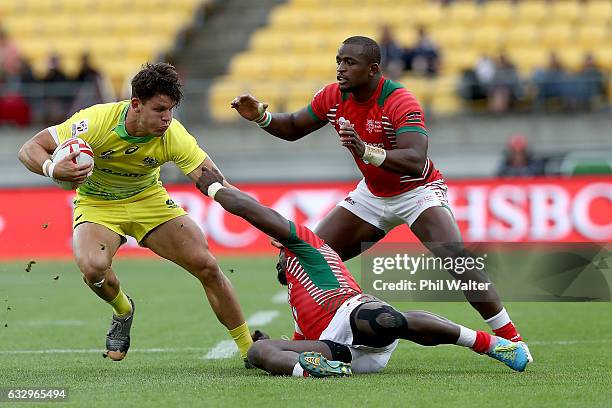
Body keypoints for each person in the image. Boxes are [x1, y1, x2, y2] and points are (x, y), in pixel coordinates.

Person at [231, 36, 528, 349]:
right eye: (338, 61)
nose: (340, 69)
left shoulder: (400, 100)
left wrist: (366, 151)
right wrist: (261, 117)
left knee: (457, 259)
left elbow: (415, 159)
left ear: (373, 70)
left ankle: (512, 339)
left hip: (417, 192)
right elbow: (293, 126)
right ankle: (301, 341)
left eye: (349, 63)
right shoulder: (333, 96)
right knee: (297, 259)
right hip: (372, 196)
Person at [195, 166, 531, 377]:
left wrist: (216, 189)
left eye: (278, 254)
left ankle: (490, 344)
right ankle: (313, 372)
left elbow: (254, 211)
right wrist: (276, 349)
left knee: (386, 321)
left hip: (357, 316)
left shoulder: (308, 246)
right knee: (257, 353)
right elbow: (303, 341)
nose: (276, 261)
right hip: (339, 353)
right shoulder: (296, 301)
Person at [18, 62, 253, 363]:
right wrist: (53, 167)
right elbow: (30, 148)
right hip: (97, 204)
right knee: (93, 268)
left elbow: (219, 184)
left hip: (148, 200)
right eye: (159, 109)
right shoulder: (96, 122)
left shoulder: (173, 135)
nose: (167, 118)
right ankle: (123, 309)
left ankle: (249, 349)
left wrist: (268, 226)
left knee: (206, 265)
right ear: (136, 105)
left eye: (170, 109)